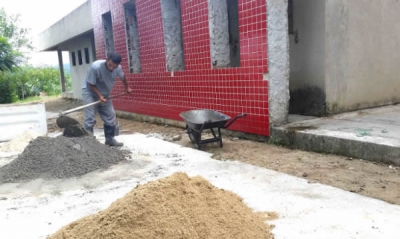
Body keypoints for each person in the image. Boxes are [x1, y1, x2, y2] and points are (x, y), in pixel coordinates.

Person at [81, 52, 132, 146]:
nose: (111, 68)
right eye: (110, 65)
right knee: (90, 117)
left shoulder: (118, 68)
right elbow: (90, 84)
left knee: (110, 114)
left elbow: (123, 77)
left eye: (114, 67)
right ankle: (89, 142)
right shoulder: (95, 67)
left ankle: (110, 139)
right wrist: (99, 96)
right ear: (107, 59)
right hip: (90, 92)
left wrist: (127, 87)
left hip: (105, 93)